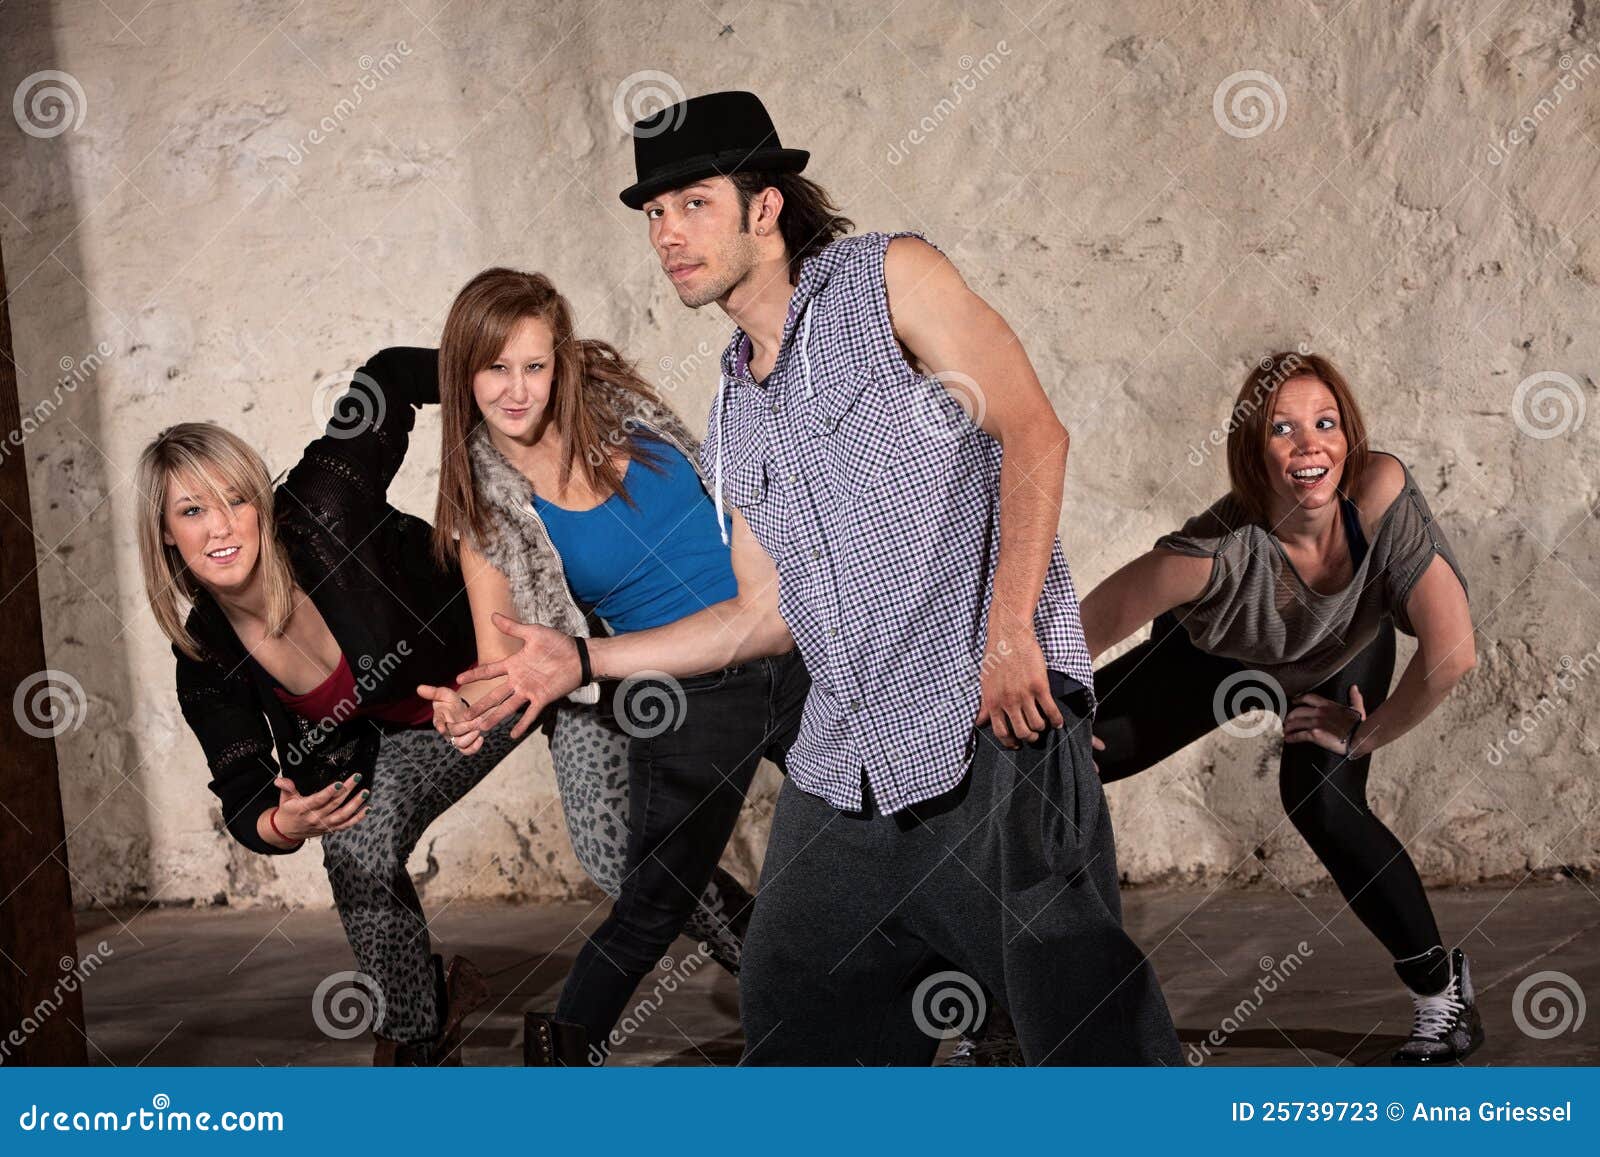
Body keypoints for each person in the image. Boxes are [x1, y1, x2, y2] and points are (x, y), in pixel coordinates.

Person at [452, 90, 1181, 1065]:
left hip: (986, 730)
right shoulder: (734, 410)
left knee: (1082, 1024)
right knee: (792, 1010)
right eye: (654, 214)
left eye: (693, 203)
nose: (668, 233)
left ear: (764, 206)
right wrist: (579, 657)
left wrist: (1013, 633)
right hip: (844, 769)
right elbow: (757, 615)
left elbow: (1033, 428)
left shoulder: (887, 281)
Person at [418, 267, 808, 1065]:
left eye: (533, 364)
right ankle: (558, 1065)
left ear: (558, 361)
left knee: (899, 836)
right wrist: (467, 707)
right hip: (685, 688)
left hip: (787, 639)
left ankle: (987, 1027)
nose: (517, 389)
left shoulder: (627, 411)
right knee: (651, 905)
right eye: (495, 368)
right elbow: (504, 660)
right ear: (465, 374)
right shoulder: (488, 511)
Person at [1081, 350, 1481, 1065]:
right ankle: (1010, 999)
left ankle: (1441, 994)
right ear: (1250, 451)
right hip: (1227, 656)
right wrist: (1031, 711)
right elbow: (1072, 637)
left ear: (1349, 433)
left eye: (1326, 422)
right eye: (1282, 429)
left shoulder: (1378, 494)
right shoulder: (1211, 555)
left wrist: (1362, 736)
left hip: (1340, 651)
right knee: (1061, 762)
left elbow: (1451, 654)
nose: (1310, 444)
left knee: (1321, 796)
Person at [136, 351, 518, 1064]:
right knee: (353, 847)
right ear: (166, 532)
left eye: (234, 499)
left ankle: (768, 973)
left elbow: (394, 376)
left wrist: (509, 386)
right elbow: (247, 795)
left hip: (509, 665)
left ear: (261, 497)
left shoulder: (323, 503)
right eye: (192, 510)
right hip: (410, 738)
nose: (220, 527)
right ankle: (417, 1037)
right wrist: (286, 822)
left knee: (627, 846)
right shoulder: (206, 658)